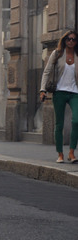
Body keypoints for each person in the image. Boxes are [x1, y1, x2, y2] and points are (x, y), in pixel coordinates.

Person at [40, 30, 78, 164]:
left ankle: (72, 152)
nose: (71, 41)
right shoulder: (57, 54)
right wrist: (42, 89)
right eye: (69, 39)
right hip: (59, 92)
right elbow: (47, 71)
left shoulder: (77, 55)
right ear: (64, 40)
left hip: (75, 92)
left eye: (74, 39)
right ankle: (60, 154)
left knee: (76, 120)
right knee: (59, 124)